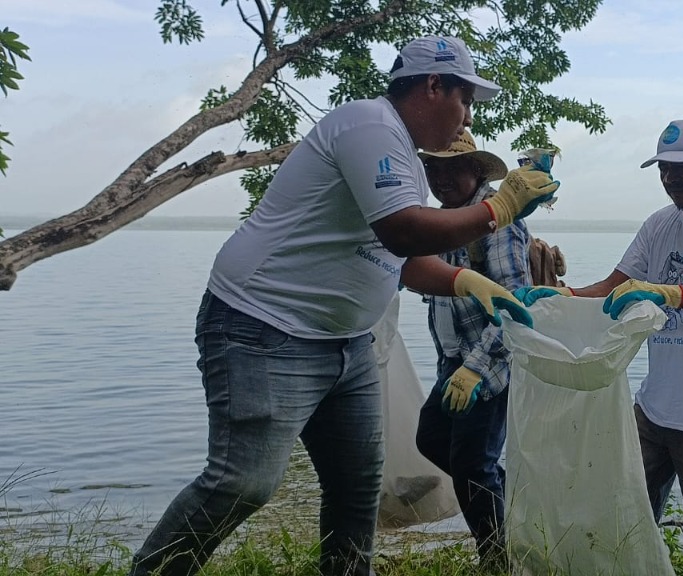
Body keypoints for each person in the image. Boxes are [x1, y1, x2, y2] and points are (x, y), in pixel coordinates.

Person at [128, 36, 558, 576]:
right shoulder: (369, 126)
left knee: (356, 487)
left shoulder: (398, 153)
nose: (466, 114)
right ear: (432, 85)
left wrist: (467, 282)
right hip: (265, 325)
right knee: (244, 482)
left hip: (347, 342)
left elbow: (396, 261)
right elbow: (403, 233)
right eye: (465, 99)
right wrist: (502, 206)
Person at [518, 119, 683, 576]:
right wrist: (563, 296)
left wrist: (672, 293)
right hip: (652, 414)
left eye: (681, 169)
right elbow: (614, 286)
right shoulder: (659, 225)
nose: (670, 179)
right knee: (621, 521)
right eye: (663, 170)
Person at [406, 130, 527, 571]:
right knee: (432, 438)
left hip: (490, 362)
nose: (440, 176)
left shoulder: (496, 220)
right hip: (453, 362)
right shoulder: (444, 221)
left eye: (451, 166)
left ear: (475, 168)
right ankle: (516, 512)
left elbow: (514, 306)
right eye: (432, 168)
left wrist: (476, 368)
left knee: (473, 465)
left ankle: (498, 561)